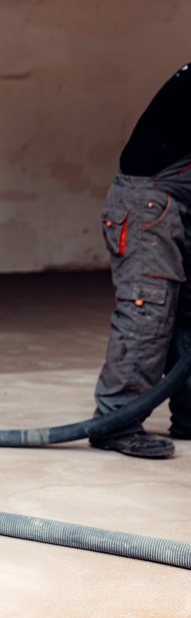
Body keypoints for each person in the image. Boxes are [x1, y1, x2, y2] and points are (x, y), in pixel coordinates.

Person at [91, 63, 191, 459]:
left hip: (179, 202)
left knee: (189, 313)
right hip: (149, 203)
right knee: (147, 309)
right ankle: (116, 422)